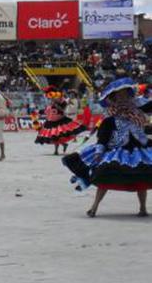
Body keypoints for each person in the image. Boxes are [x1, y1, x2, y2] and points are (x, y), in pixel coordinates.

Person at [63, 77, 152, 217]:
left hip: (139, 149)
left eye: (125, 94)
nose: (123, 97)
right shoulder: (109, 118)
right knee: (104, 177)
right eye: (119, 95)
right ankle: (94, 207)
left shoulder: (137, 113)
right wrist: (99, 151)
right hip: (115, 151)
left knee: (142, 177)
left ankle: (142, 208)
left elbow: (144, 129)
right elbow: (103, 137)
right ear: (113, 98)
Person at [35, 88, 86, 155]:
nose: (52, 98)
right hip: (50, 122)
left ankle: (57, 150)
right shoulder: (50, 103)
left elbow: (63, 110)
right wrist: (38, 112)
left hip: (59, 121)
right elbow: (47, 111)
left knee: (58, 136)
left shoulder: (62, 102)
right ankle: (63, 145)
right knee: (53, 137)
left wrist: (56, 105)